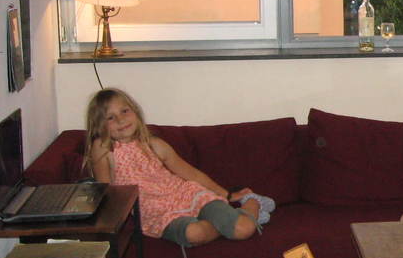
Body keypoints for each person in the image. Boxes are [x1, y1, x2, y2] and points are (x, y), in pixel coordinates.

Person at [84, 88, 274, 248]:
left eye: (124, 111)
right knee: (194, 234)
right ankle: (230, 219)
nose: (120, 120)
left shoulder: (154, 144)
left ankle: (252, 203)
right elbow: (105, 190)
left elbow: (190, 173)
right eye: (110, 117)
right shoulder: (103, 148)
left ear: (135, 111)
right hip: (157, 213)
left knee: (243, 229)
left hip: (188, 194)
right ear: (100, 126)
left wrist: (227, 195)